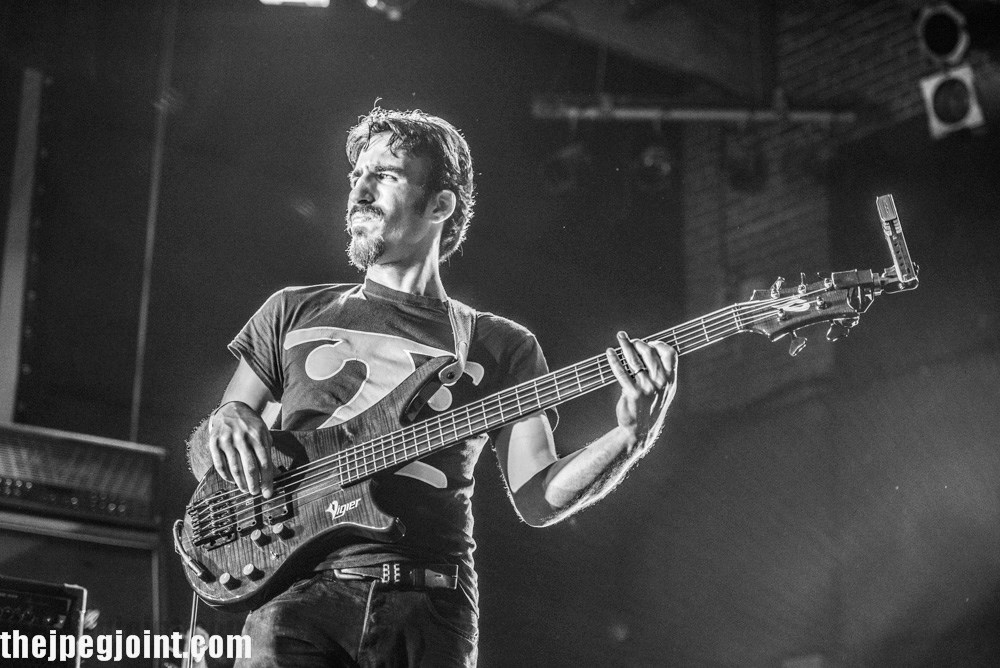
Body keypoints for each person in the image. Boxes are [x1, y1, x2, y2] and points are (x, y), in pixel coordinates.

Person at [186, 108, 677, 667]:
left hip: (427, 609)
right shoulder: (292, 311)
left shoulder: (499, 344)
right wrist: (226, 419)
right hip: (293, 602)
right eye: (356, 176)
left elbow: (538, 498)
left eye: (385, 176)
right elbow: (208, 462)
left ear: (440, 205)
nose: (359, 192)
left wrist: (630, 437)